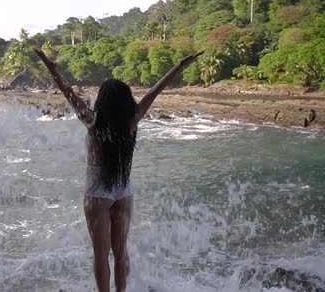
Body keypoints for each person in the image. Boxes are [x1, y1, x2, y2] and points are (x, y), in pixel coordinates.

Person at [34, 49, 203, 292]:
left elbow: (68, 93)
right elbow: (156, 90)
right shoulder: (133, 119)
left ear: (101, 100)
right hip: (123, 191)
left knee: (101, 255)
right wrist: (179, 65)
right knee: (121, 252)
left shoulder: (92, 121)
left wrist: (52, 68)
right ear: (126, 100)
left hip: (97, 194)